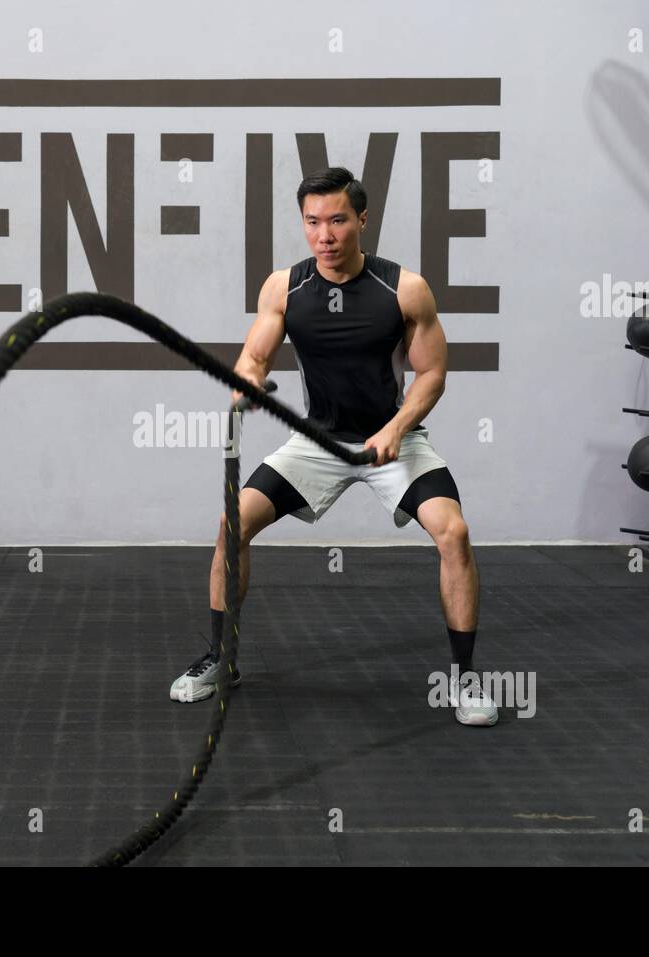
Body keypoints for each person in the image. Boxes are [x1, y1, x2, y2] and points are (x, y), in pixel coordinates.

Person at [169, 167, 498, 726]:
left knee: (454, 532)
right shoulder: (284, 287)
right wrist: (245, 386)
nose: (325, 234)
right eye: (313, 222)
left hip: (393, 439)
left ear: (362, 221)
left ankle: (464, 680)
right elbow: (254, 358)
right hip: (316, 443)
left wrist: (395, 429)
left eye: (338, 220)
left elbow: (432, 374)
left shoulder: (404, 289)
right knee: (232, 526)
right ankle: (222, 659)